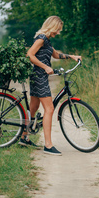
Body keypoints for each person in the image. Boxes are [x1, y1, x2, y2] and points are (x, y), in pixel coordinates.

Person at [19, 16, 81, 155]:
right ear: (52, 26)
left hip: (38, 76)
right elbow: (29, 55)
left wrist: (72, 56)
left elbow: (56, 55)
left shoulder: (46, 41)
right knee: (50, 109)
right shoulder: (41, 38)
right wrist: (45, 67)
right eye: (57, 29)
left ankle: (24, 137)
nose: (58, 32)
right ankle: (48, 145)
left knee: (33, 108)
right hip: (39, 76)